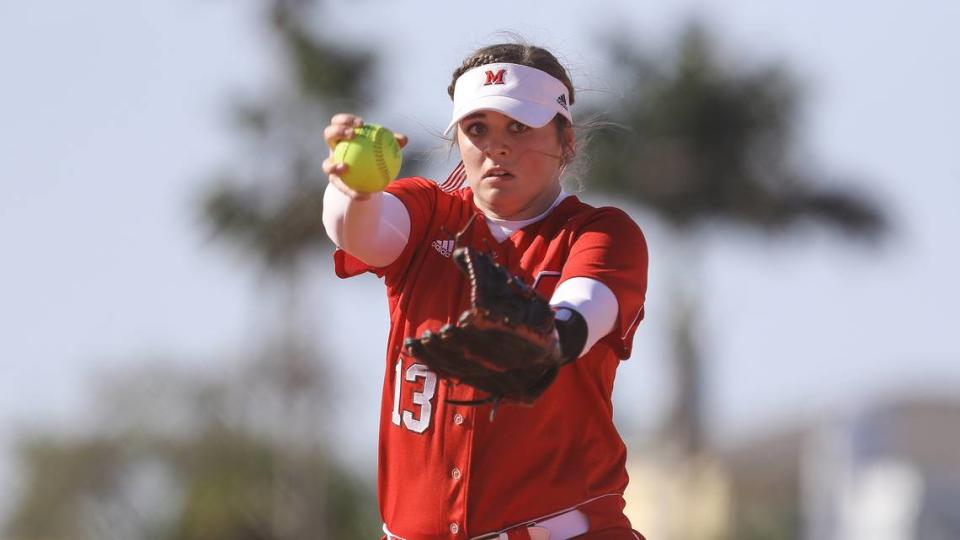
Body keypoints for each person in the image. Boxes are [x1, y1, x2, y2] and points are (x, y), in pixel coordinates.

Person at [322, 43, 648, 540]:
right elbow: (358, 232)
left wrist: (548, 337)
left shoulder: (599, 232)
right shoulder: (428, 212)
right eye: (478, 130)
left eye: (519, 127)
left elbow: (584, 308)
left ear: (567, 141)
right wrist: (352, 190)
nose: (497, 147)